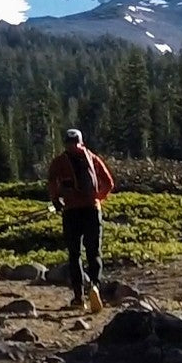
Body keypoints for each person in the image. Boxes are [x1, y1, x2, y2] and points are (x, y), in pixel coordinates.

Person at [46, 128, 115, 312]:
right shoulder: (92, 157)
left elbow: (52, 181)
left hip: (71, 211)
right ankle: (95, 286)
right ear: (81, 141)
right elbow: (109, 182)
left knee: (74, 255)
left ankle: (78, 298)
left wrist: (56, 199)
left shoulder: (60, 161)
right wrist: (97, 198)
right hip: (92, 210)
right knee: (94, 252)